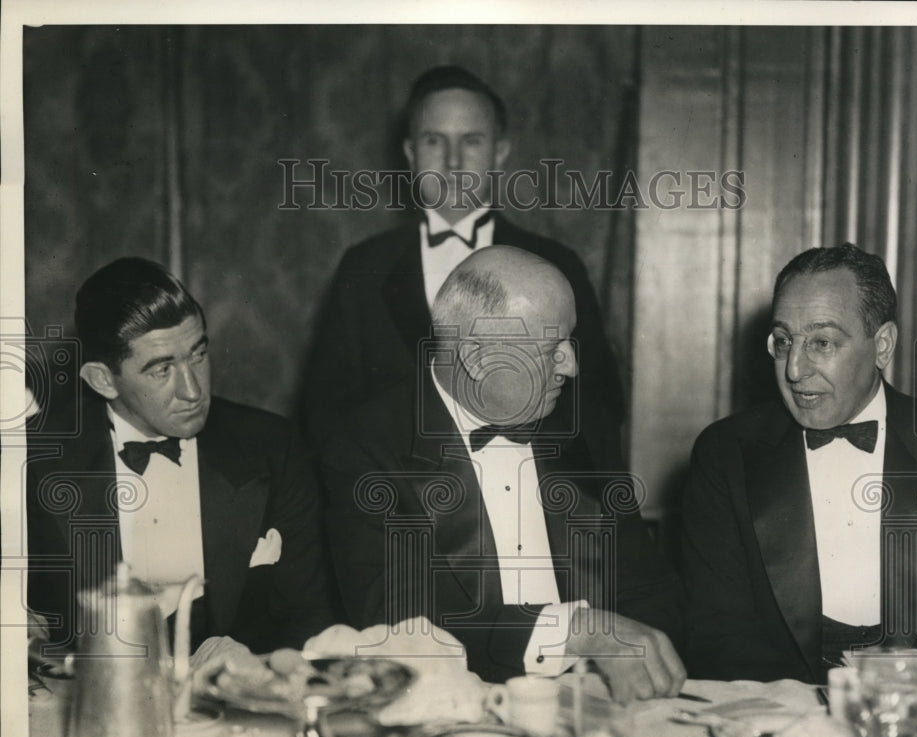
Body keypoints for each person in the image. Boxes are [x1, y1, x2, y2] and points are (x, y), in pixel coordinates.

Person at [323, 245, 685, 702]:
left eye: (571, 345)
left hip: (592, 705)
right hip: (449, 710)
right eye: (552, 349)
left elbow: (652, 591)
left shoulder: (582, 428)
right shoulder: (366, 447)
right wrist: (575, 632)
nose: (571, 367)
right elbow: (398, 622)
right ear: (476, 357)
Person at [681, 243, 917, 684]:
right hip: (778, 714)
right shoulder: (726, 453)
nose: (794, 369)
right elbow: (717, 634)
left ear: (882, 345)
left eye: (821, 342)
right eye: (783, 342)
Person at [297, 65, 624, 460]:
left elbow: (598, 404)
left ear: (500, 151)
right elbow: (324, 412)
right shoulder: (365, 266)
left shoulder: (555, 264)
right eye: (434, 140)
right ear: (410, 154)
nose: (452, 161)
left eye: (471, 141)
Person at [26, 257, 336, 658]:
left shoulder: (273, 448)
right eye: (161, 370)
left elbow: (310, 621)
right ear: (103, 379)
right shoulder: (34, 461)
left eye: (198, 355)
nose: (192, 390)